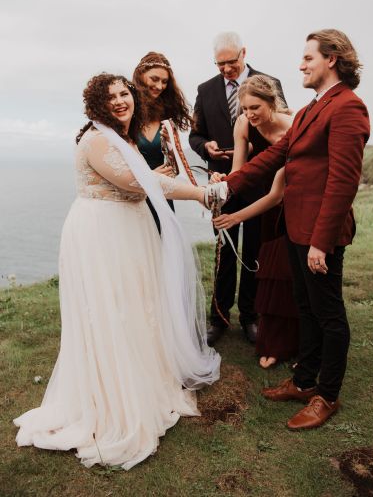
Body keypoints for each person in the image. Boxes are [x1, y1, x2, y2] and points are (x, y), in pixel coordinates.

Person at [14, 74, 220, 469]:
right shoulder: (96, 140)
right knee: (111, 310)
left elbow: (145, 182)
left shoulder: (121, 139)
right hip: (102, 233)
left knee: (138, 303)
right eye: (111, 98)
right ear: (97, 105)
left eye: (125, 93)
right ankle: (112, 399)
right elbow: (135, 182)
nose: (121, 101)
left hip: (130, 229)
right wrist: (200, 192)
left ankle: (142, 380)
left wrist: (167, 178)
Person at [211, 29, 370, 429]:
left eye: (308, 58)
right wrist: (224, 187)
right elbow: (273, 158)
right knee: (306, 309)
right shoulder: (312, 108)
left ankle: (327, 395)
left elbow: (343, 182)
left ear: (331, 59)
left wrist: (321, 242)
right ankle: (303, 381)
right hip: (296, 229)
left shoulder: (348, 107)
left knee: (329, 314)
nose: (300, 64)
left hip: (320, 234)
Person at [189, 31, 285, 346]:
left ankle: (251, 316)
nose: (227, 69)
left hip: (261, 183)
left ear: (244, 53)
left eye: (231, 62)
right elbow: (195, 134)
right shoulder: (205, 90)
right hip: (224, 180)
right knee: (225, 252)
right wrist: (208, 148)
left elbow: (283, 128)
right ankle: (219, 317)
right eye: (220, 64)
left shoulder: (270, 83)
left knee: (256, 249)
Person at [211, 75, 299, 369]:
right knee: (258, 264)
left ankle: (263, 322)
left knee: (273, 264)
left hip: (285, 197)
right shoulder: (244, 124)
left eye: (255, 108)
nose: (249, 115)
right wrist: (224, 182)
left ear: (272, 102)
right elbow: (240, 170)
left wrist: (236, 214)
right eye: (244, 109)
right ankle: (244, 321)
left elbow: (277, 194)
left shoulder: (294, 127)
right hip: (256, 187)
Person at [132, 52, 192, 221]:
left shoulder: (166, 116)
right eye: (154, 79)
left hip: (162, 196)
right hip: (135, 197)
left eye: (165, 82)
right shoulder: (126, 113)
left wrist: (172, 167)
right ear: (140, 76)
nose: (159, 86)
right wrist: (150, 176)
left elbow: (173, 160)